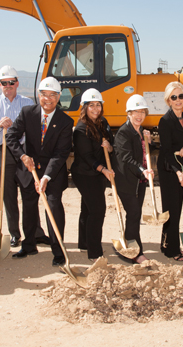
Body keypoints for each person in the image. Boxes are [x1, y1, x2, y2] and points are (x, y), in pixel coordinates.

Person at [5, 77, 73, 266]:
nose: (48, 99)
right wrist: (22, 156)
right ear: (38, 95)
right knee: (29, 208)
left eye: (52, 95)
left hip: (53, 173)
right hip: (29, 171)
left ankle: (58, 251)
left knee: (53, 208)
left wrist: (46, 177)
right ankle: (28, 245)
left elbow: (61, 153)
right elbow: (11, 136)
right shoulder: (28, 113)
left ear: (59, 97)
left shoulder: (65, 121)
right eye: (44, 94)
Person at [0, 65, 49, 251]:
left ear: (17, 83)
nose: (8, 85)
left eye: (11, 82)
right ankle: (14, 234)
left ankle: (35, 232)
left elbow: (36, 128)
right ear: (0, 84)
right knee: (9, 195)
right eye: (4, 83)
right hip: (2, 152)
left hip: (23, 153)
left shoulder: (27, 103)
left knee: (29, 193)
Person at [70, 88, 115, 260]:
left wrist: (109, 147)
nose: (96, 109)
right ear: (84, 107)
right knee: (97, 210)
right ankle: (95, 252)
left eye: (98, 105)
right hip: (84, 173)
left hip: (97, 173)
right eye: (91, 105)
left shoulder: (103, 122)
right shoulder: (80, 130)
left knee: (87, 208)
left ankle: (84, 243)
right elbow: (87, 157)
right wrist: (104, 170)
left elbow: (110, 143)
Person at [113, 94, 154, 264]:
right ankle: (136, 253)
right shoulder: (124, 132)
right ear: (128, 113)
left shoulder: (140, 130)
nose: (139, 115)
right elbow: (127, 159)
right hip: (127, 181)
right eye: (135, 112)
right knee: (134, 213)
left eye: (142, 111)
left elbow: (142, 154)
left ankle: (130, 247)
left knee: (134, 216)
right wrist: (142, 170)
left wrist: (148, 142)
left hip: (140, 181)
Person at [157, 82, 183, 261]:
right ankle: (172, 250)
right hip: (169, 168)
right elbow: (166, 151)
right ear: (168, 100)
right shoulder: (165, 121)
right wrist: (178, 172)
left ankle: (165, 244)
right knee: (173, 209)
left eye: (181, 96)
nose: (178, 100)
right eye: (174, 97)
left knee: (175, 207)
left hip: (181, 167)